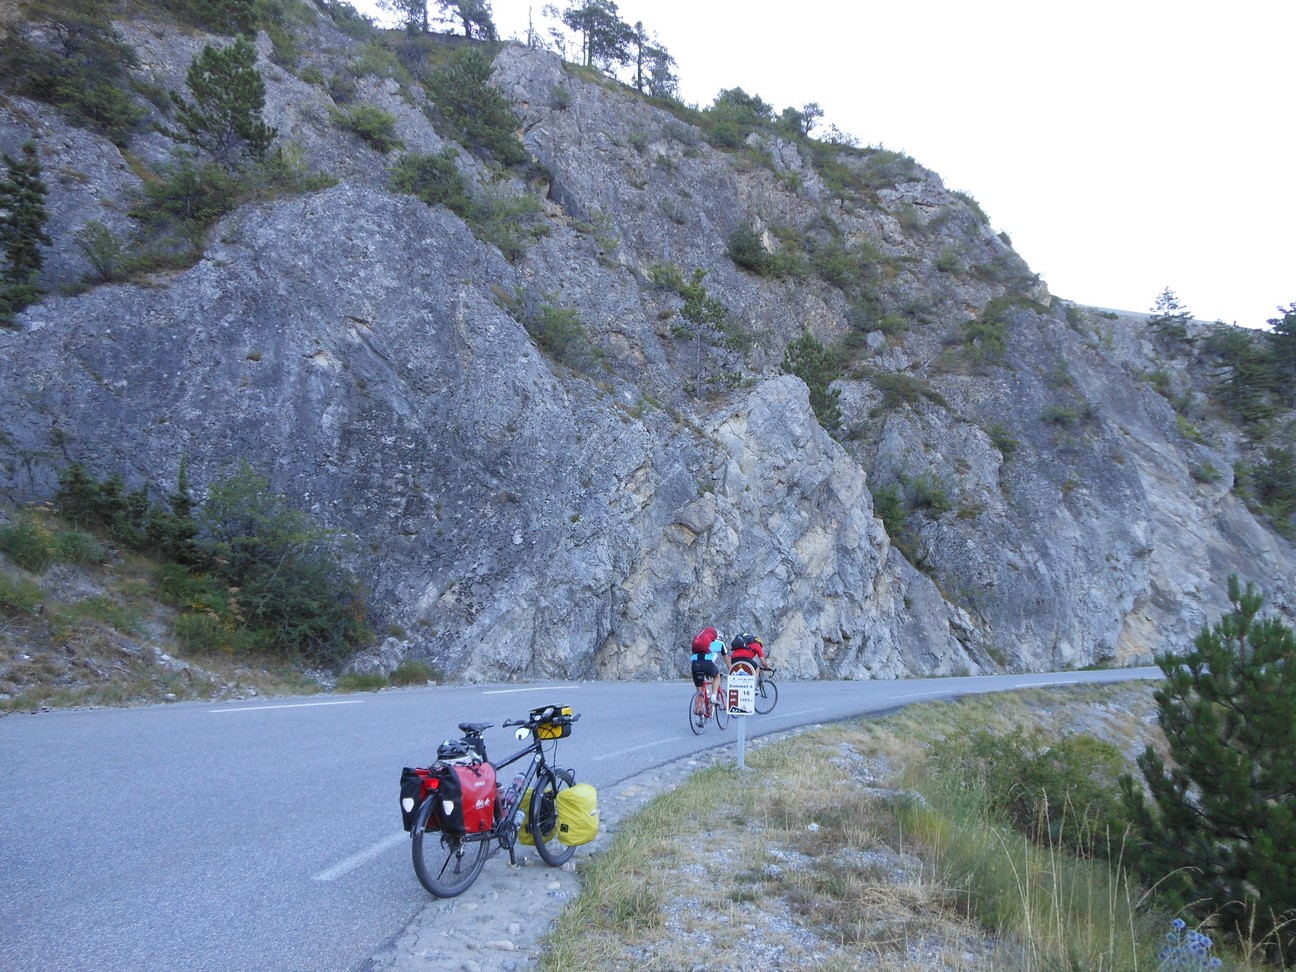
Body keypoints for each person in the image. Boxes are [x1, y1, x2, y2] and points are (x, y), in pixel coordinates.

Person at [690, 626, 727, 707]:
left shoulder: (701, 642)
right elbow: (727, 662)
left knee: (699, 692)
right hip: (707, 663)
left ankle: (698, 713)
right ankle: (713, 697)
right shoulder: (720, 644)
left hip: (695, 664)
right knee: (717, 676)